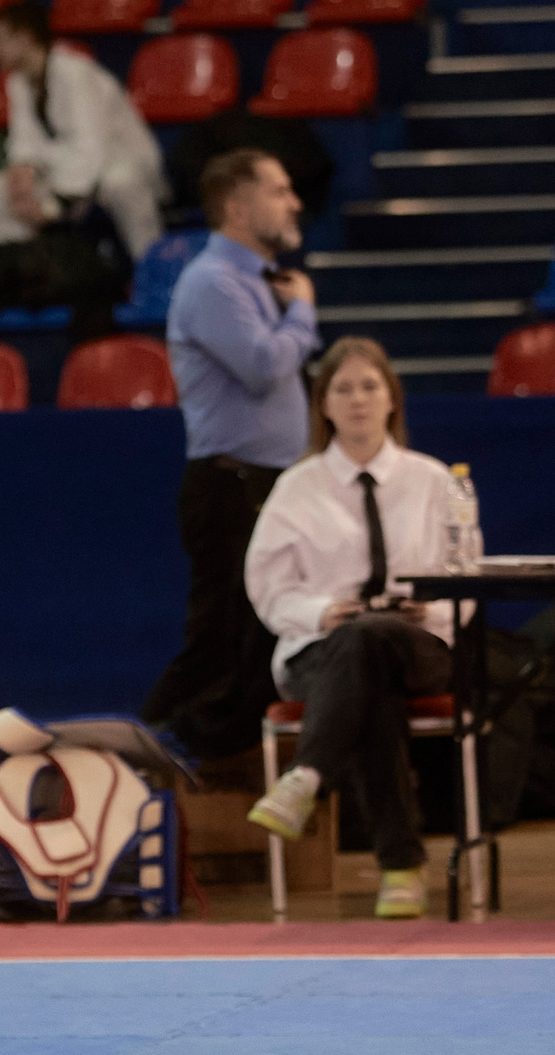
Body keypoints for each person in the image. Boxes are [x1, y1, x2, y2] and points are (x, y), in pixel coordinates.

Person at [242, 338, 467, 920]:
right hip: (321, 650)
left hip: (421, 644)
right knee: (365, 659)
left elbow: (465, 579)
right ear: (323, 405)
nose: (358, 400)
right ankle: (400, 867)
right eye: (343, 389)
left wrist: (430, 607)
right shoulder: (296, 487)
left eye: (370, 387)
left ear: (392, 398)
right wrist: (322, 611)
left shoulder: (434, 481)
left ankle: (308, 775)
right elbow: (267, 587)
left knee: (373, 639)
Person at [142, 148, 319, 762]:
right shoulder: (213, 282)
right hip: (231, 489)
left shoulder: (251, 281)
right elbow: (262, 366)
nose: (293, 203)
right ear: (240, 206)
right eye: (279, 190)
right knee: (217, 643)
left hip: (262, 486)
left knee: (248, 646)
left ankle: (219, 779)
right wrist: (303, 313)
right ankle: (138, 757)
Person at [0, 0, 166, 261]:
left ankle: (151, 270)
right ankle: (29, 273)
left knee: (121, 181)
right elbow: (25, 142)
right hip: (66, 174)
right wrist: (22, 177)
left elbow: (92, 150)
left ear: (24, 37)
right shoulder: (17, 81)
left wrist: (53, 203)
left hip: (117, 165)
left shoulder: (76, 73)